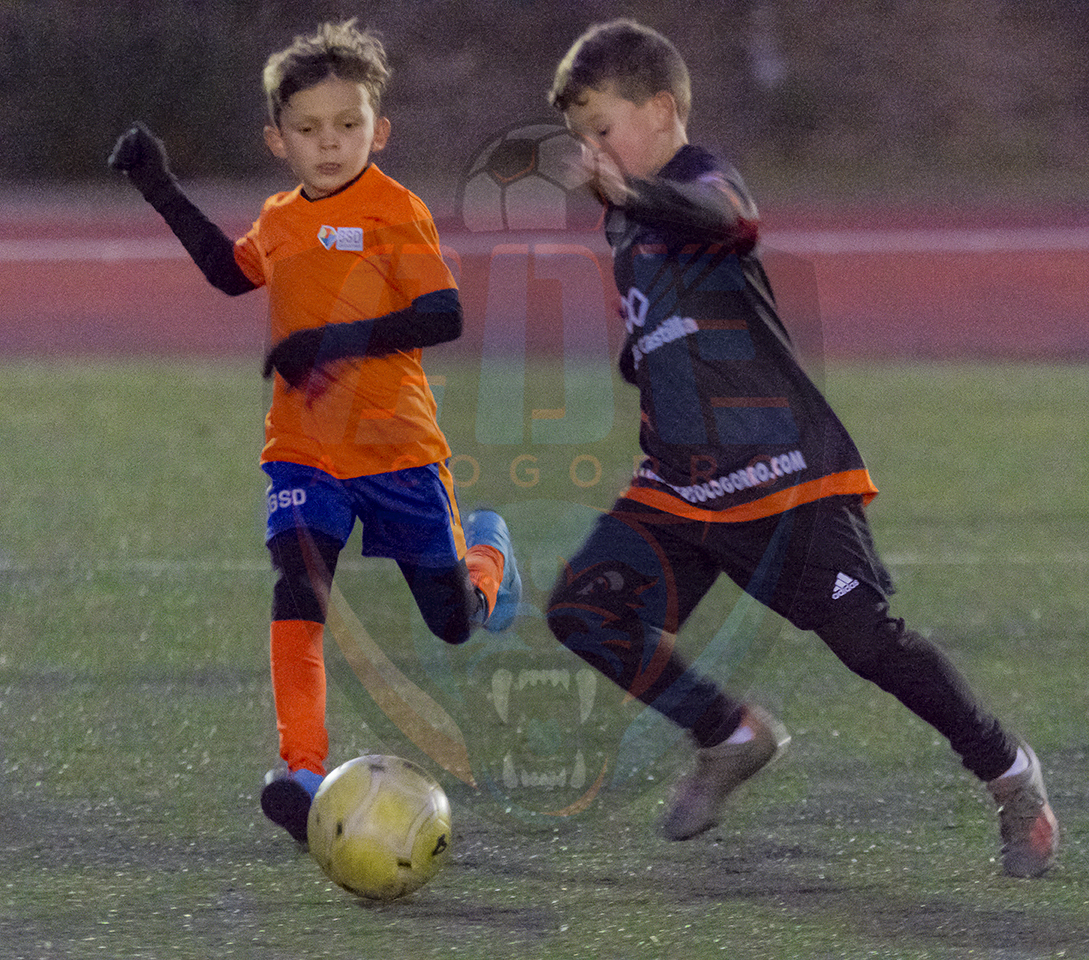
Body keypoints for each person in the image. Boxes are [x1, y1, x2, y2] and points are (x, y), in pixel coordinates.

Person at [544, 19, 1058, 877]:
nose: (590, 153)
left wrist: (631, 195)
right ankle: (728, 734)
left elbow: (730, 220)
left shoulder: (698, 178)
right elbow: (662, 329)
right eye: (581, 139)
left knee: (868, 643)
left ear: (661, 109)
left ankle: (1009, 774)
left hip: (782, 476)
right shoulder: (623, 222)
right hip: (681, 486)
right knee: (584, 610)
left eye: (601, 129)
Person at [108, 19, 521, 845]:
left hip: (398, 452)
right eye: (307, 129)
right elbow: (230, 272)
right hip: (303, 451)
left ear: (379, 130)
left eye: (347, 124)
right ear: (277, 140)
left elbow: (441, 315)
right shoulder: (279, 218)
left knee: (452, 622)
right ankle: (301, 772)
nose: (329, 143)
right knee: (298, 588)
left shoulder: (395, 211)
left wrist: (326, 342)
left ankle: (488, 560)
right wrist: (159, 186)